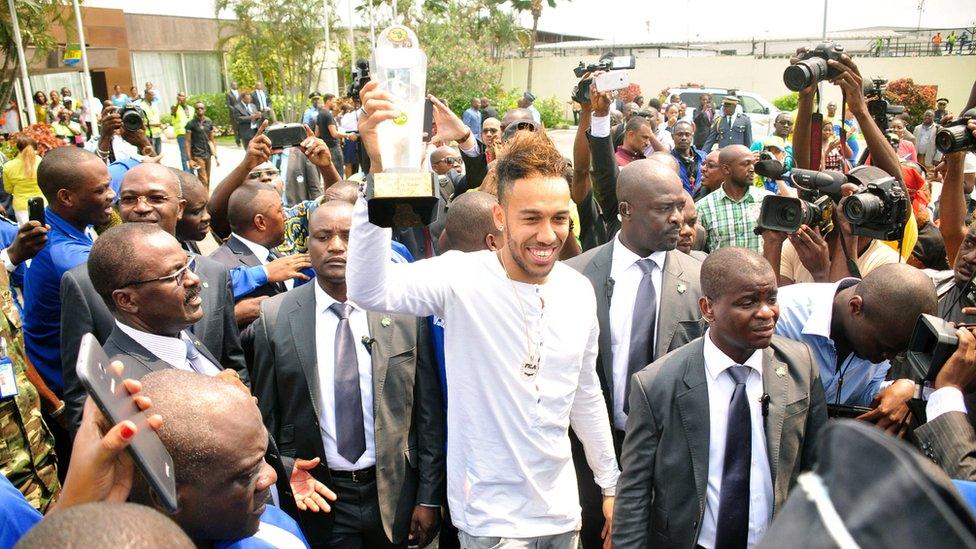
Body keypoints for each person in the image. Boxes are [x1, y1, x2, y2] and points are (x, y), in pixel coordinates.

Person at [349, 80, 619, 546]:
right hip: (490, 524)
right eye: (530, 218)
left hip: (561, 517)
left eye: (558, 218)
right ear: (500, 217)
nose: (548, 235)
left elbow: (584, 394)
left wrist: (610, 484)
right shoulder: (460, 278)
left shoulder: (577, 290)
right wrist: (376, 174)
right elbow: (370, 288)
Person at [251, 201, 445, 548]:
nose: (336, 246)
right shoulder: (275, 316)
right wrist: (286, 466)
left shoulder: (403, 309)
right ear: (307, 245)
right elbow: (265, 418)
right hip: (320, 496)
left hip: (395, 495)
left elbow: (427, 414)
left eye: (348, 236)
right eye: (323, 237)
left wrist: (428, 496)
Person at [612, 247, 827, 547]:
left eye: (772, 299)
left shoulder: (799, 364)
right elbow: (634, 490)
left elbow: (818, 468)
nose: (766, 312)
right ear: (707, 308)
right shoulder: (657, 384)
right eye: (748, 302)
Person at [565, 159, 704, 549]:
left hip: (671, 455)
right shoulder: (575, 278)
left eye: (680, 206)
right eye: (664, 209)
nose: (678, 218)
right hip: (589, 453)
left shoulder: (701, 279)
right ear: (625, 211)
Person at [59, 164, 247, 433]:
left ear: (180, 207)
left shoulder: (213, 273)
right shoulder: (84, 283)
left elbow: (232, 360)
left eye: (156, 198)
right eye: (129, 199)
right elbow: (83, 395)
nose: (142, 208)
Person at [135, 369, 308, 547]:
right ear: (166, 497)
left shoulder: (279, 533)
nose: (271, 476)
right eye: (247, 474)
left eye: (263, 459)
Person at [774, 264, 936, 428]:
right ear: (856, 307)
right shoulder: (781, 317)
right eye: (883, 347)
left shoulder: (883, 333)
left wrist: (905, 391)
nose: (888, 357)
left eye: (898, 352)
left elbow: (864, 392)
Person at [23, 147, 115, 396]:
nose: (112, 195)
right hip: (70, 386)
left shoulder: (63, 225)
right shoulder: (69, 257)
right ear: (66, 198)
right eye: (100, 190)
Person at [209, 182, 295, 301]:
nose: (286, 217)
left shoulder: (272, 255)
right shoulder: (218, 267)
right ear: (260, 222)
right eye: (280, 210)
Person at [695, 144, 770, 252]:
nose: (752, 169)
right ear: (726, 169)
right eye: (746, 164)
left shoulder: (766, 201)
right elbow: (698, 253)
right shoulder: (703, 207)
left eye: (753, 164)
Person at [3, 137, 44, 225]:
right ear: (35, 147)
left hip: (21, 207)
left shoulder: (8, 166)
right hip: (42, 203)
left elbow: (8, 189)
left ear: (18, 148)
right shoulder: (41, 162)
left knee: (27, 235)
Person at [316, 94, 356, 169]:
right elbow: (334, 134)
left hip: (325, 149)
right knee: (338, 174)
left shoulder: (320, 114)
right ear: (328, 101)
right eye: (334, 102)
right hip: (334, 149)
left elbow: (317, 133)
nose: (335, 104)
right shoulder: (328, 115)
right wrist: (348, 135)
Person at [184, 101, 218, 188]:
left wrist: (215, 154)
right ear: (195, 110)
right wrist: (189, 159)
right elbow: (187, 142)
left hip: (208, 154)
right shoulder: (190, 124)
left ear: (205, 110)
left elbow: (212, 139)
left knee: (208, 178)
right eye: (197, 108)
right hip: (197, 155)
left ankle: (205, 197)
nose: (199, 110)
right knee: (203, 179)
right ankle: (205, 200)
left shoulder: (209, 122)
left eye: (201, 108)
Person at [670, 120, 706, 194]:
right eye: (680, 134)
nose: (684, 138)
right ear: (672, 136)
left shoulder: (703, 157)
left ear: (692, 136)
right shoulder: (668, 160)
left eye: (687, 134)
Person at [172, 92, 193, 173]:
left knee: (191, 153)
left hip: (191, 133)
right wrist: (178, 103)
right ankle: (186, 172)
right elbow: (173, 112)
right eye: (180, 95)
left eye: (183, 96)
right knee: (184, 154)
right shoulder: (174, 107)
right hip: (181, 133)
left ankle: (192, 171)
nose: (182, 97)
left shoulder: (191, 108)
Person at [140, 90, 162, 155]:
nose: (153, 96)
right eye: (151, 95)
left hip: (158, 133)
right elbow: (141, 122)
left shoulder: (154, 104)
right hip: (149, 134)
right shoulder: (142, 106)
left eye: (153, 95)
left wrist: (161, 125)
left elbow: (157, 117)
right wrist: (155, 124)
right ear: (146, 95)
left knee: (158, 153)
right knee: (151, 154)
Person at [226, 81, 242, 146]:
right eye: (234, 85)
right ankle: (238, 142)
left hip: (241, 113)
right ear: (231, 86)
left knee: (241, 127)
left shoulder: (239, 92)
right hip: (233, 114)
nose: (235, 86)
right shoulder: (228, 94)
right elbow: (228, 104)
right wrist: (235, 110)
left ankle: (242, 139)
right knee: (235, 128)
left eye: (236, 85)